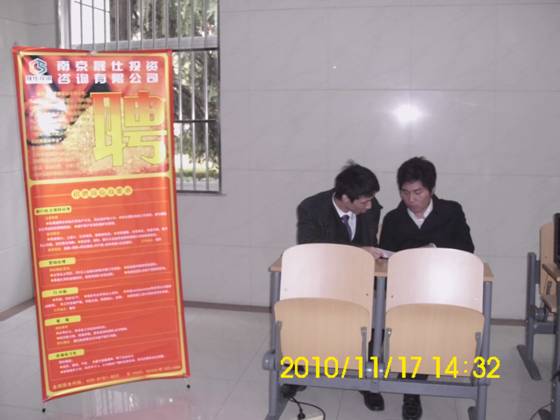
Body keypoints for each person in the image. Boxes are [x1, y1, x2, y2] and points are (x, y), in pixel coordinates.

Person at [379, 156, 474, 420]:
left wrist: (432, 248)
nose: (411, 199)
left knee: (437, 327)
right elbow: (386, 258)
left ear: (431, 190)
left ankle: (423, 375)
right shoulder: (393, 218)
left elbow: (467, 248)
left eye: (417, 192)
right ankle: (411, 392)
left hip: (446, 285)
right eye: (405, 192)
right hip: (407, 289)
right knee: (411, 323)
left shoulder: (451, 211)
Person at [294, 161, 385, 411]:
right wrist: (358, 251)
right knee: (305, 319)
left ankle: (368, 381)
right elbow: (310, 248)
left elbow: (371, 243)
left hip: (357, 280)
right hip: (321, 278)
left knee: (370, 320)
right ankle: (296, 371)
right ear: (345, 198)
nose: (370, 206)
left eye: (370, 200)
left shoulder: (371, 207)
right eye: (364, 202)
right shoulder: (311, 207)